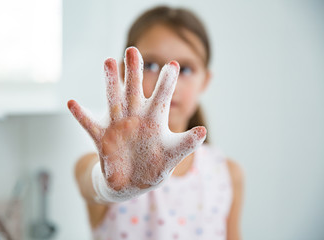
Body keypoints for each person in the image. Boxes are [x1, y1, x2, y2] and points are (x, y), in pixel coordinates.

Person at [68, 6, 244, 240]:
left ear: (205, 81)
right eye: (150, 65)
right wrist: (110, 187)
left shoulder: (227, 174)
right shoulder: (102, 166)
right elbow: (89, 183)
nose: (168, 81)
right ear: (125, 72)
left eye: (186, 69)